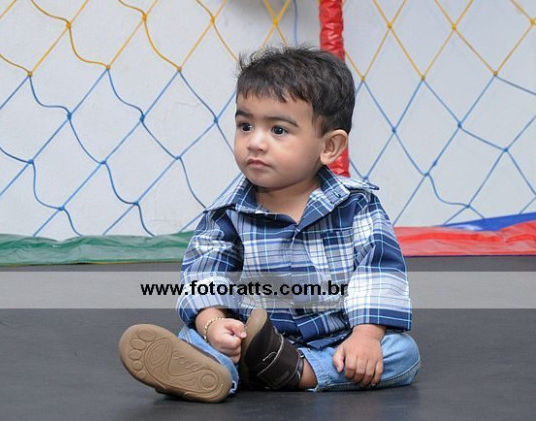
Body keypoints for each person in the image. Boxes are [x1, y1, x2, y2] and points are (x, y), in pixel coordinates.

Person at [119, 46, 420, 403]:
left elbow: (379, 273)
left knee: (400, 352)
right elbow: (205, 275)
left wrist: (365, 337)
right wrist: (214, 324)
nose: (255, 142)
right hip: (247, 341)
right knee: (192, 335)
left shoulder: (356, 206)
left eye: (278, 130)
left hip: (334, 338)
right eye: (245, 126)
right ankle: (217, 367)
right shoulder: (227, 214)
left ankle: (300, 371)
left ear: (329, 146)